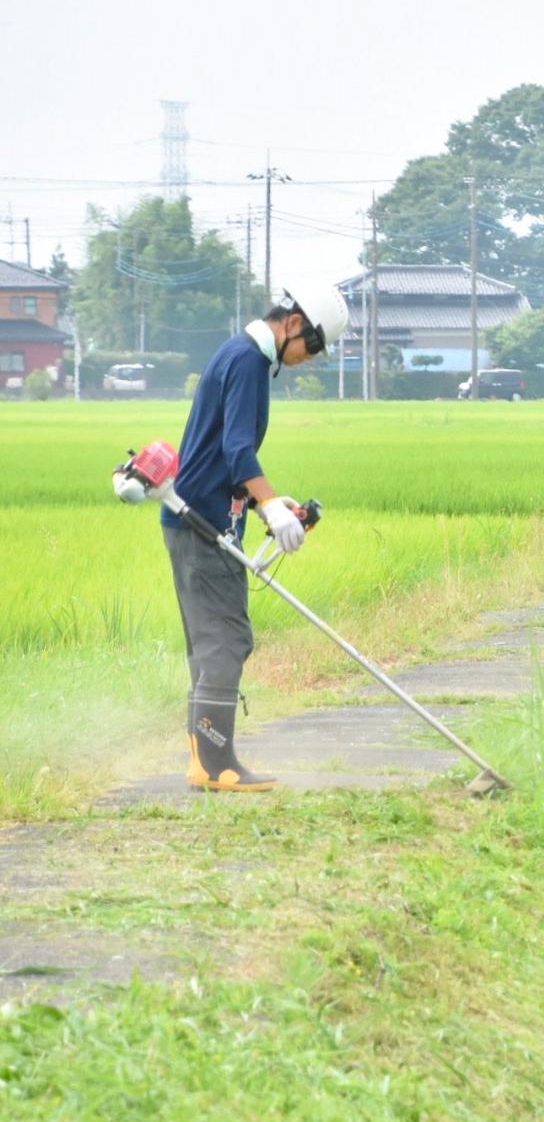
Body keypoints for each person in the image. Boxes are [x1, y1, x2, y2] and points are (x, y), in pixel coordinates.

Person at [166, 291, 348, 792]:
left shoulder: (239, 353)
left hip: (197, 515)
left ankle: (202, 757)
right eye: (311, 346)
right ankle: (216, 763)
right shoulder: (248, 360)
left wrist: (268, 500)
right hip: (202, 522)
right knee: (227, 640)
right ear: (293, 323)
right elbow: (237, 447)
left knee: (209, 645)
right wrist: (266, 503)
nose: (309, 357)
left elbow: (221, 457)